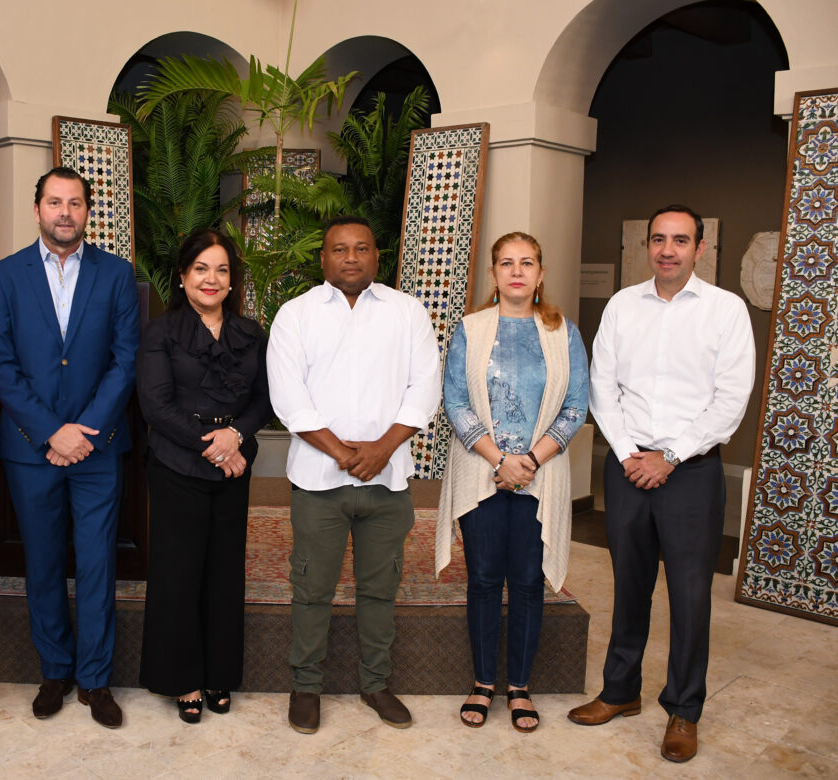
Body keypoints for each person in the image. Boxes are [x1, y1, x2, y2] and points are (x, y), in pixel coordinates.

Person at [569, 205, 755, 763]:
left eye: (680, 240)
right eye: (658, 239)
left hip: (691, 472)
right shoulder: (624, 306)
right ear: (648, 246)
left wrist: (668, 456)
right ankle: (621, 692)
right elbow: (602, 385)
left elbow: (731, 399)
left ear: (699, 248)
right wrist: (630, 455)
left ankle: (683, 708)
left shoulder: (725, 311)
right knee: (628, 584)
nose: (667, 249)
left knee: (691, 595)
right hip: (628, 469)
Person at [267, 215, 441, 734]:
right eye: (339, 249)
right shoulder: (295, 315)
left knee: (380, 590)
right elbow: (287, 397)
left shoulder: (407, 312)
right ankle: (305, 687)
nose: (350, 257)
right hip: (318, 483)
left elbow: (425, 386)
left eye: (361, 248)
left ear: (376, 257)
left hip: (387, 482)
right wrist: (344, 454)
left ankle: (376, 684)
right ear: (322, 259)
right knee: (311, 589)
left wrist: (383, 448)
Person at [0, 166, 140, 729]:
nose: (65, 212)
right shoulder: (3, 277)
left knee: (97, 564)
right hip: (31, 449)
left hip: (98, 449)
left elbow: (125, 361)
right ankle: (55, 670)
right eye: (55, 202)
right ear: (38, 209)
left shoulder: (117, 275)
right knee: (44, 563)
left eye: (75, 203)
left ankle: (95, 680)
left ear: (88, 212)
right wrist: (51, 431)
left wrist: (83, 430)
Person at [435, 232, 588, 732]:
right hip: (481, 474)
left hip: (539, 479)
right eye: (506, 263)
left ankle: (519, 687)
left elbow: (575, 406)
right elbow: (454, 401)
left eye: (527, 263)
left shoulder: (564, 332)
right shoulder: (470, 329)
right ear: (494, 274)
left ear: (541, 274)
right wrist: (500, 459)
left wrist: (529, 461)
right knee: (482, 580)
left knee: (526, 581)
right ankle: (483, 683)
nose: (516, 271)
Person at [136, 228, 271, 723]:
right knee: (179, 576)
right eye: (201, 269)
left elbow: (263, 399)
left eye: (221, 270)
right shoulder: (160, 332)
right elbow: (156, 404)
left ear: (233, 281)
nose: (211, 279)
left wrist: (236, 436)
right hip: (177, 467)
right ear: (182, 276)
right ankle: (183, 679)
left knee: (223, 574)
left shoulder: (251, 333)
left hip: (235, 467)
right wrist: (213, 445)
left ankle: (219, 673)